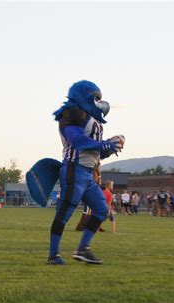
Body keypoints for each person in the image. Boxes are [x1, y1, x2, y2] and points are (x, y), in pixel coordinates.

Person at [44, 80, 124, 265]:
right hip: (73, 169)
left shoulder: (93, 120)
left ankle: (82, 249)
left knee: (102, 210)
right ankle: (53, 255)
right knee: (64, 212)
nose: (99, 102)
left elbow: (96, 153)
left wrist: (110, 147)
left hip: (88, 174)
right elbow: (78, 141)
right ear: (85, 97)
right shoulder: (72, 114)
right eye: (96, 98)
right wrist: (104, 144)